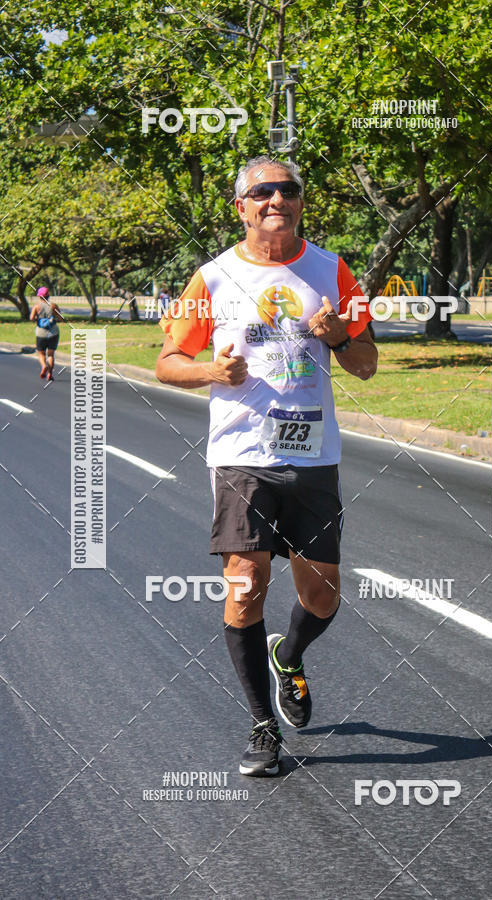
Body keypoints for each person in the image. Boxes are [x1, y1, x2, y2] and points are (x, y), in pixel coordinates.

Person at [156, 156, 377, 776]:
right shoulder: (214, 278)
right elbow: (168, 362)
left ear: (301, 201)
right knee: (246, 581)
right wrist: (211, 371)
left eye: (288, 189)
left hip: (313, 457)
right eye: (263, 191)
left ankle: (292, 655)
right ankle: (261, 727)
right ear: (242, 207)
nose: (276, 198)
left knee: (322, 593)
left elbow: (366, 364)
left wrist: (337, 337)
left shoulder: (333, 271)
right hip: (241, 456)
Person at [30, 287, 64, 381]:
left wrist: (38, 319)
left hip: (41, 333)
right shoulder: (54, 306)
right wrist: (54, 319)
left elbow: (31, 318)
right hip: (53, 333)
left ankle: (44, 366)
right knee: (51, 355)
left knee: (41, 353)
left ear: (39, 296)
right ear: (48, 295)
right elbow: (61, 318)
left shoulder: (37, 306)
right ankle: (50, 374)